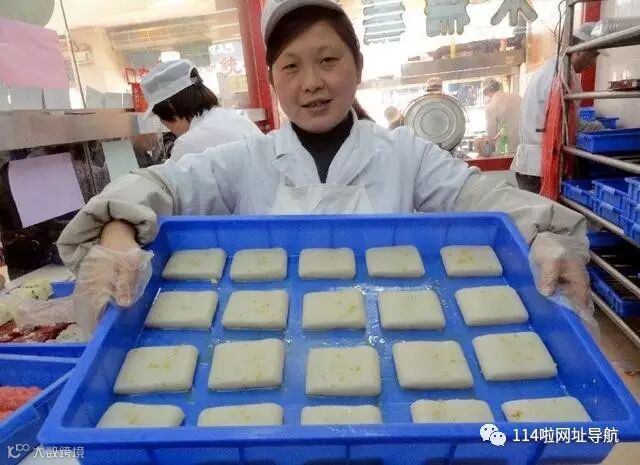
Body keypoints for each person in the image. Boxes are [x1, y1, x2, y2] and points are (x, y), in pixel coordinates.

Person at [57, 0, 592, 330]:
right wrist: (118, 232)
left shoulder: (404, 154)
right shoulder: (247, 159)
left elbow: (480, 196)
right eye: (291, 66)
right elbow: (159, 185)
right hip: (270, 347)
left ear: (357, 66)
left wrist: (541, 234)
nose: (311, 82)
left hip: (396, 341)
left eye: (328, 60)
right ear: (274, 81)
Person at [513, 24, 603, 193]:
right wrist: (600, 128)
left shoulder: (550, 68)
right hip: (541, 167)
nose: (592, 63)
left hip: (529, 164)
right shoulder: (564, 76)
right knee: (545, 210)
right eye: (592, 55)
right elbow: (570, 125)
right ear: (579, 50)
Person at [141, 59, 261, 160]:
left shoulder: (188, 146)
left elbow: (173, 180)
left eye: (161, 117)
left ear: (171, 108)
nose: (167, 127)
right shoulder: (236, 120)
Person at [482, 78, 521, 154]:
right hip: (522, 146)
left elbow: (491, 134)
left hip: (505, 149)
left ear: (487, 91)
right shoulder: (517, 97)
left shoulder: (491, 106)